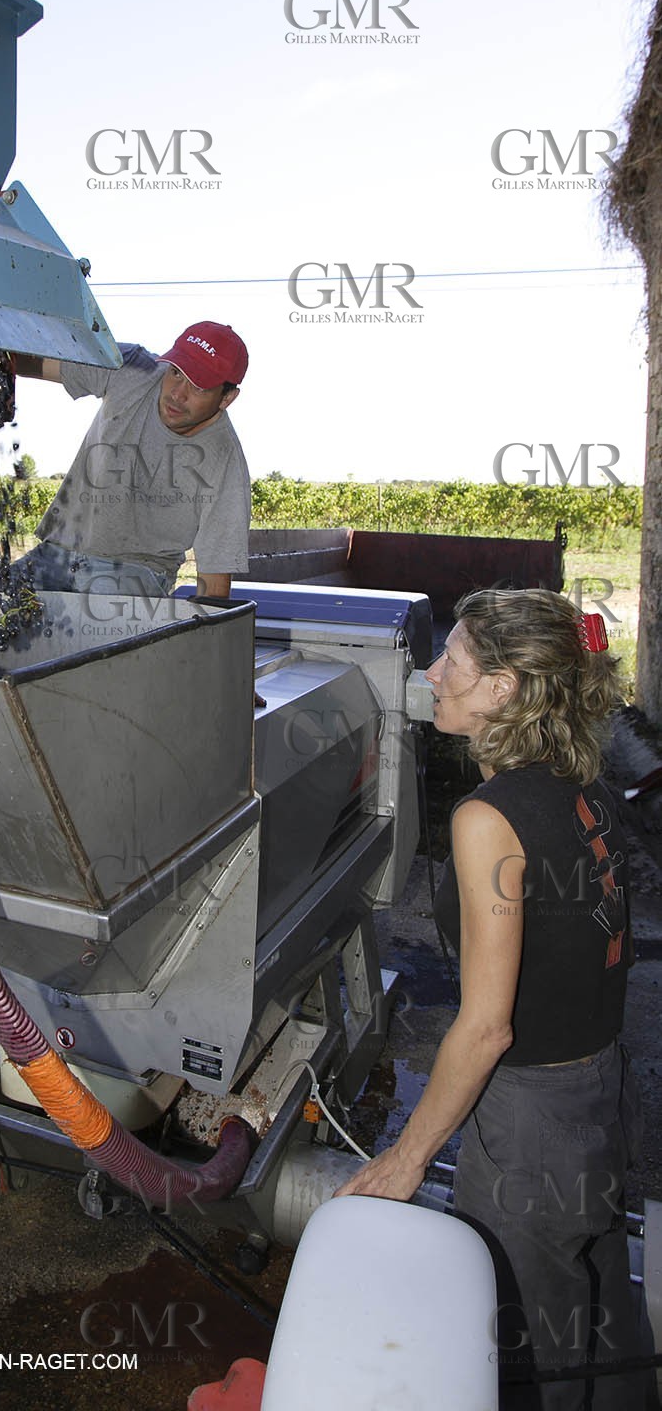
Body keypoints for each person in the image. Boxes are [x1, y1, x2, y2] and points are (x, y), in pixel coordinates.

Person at [335, 589, 652, 1409]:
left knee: (522, 1343)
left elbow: (483, 1028)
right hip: (603, 1093)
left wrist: (404, 1161)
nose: (433, 670)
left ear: (503, 689)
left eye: (455, 660)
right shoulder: (578, 779)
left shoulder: (488, 820)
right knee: (600, 1313)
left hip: (532, 1125)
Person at [12, 321, 250, 598]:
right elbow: (37, 362)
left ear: (227, 398)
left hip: (134, 572)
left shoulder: (223, 460)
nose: (177, 393)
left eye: (198, 388)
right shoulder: (135, 370)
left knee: (98, 637)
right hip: (56, 552)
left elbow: (215, 576)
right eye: (176, 372)